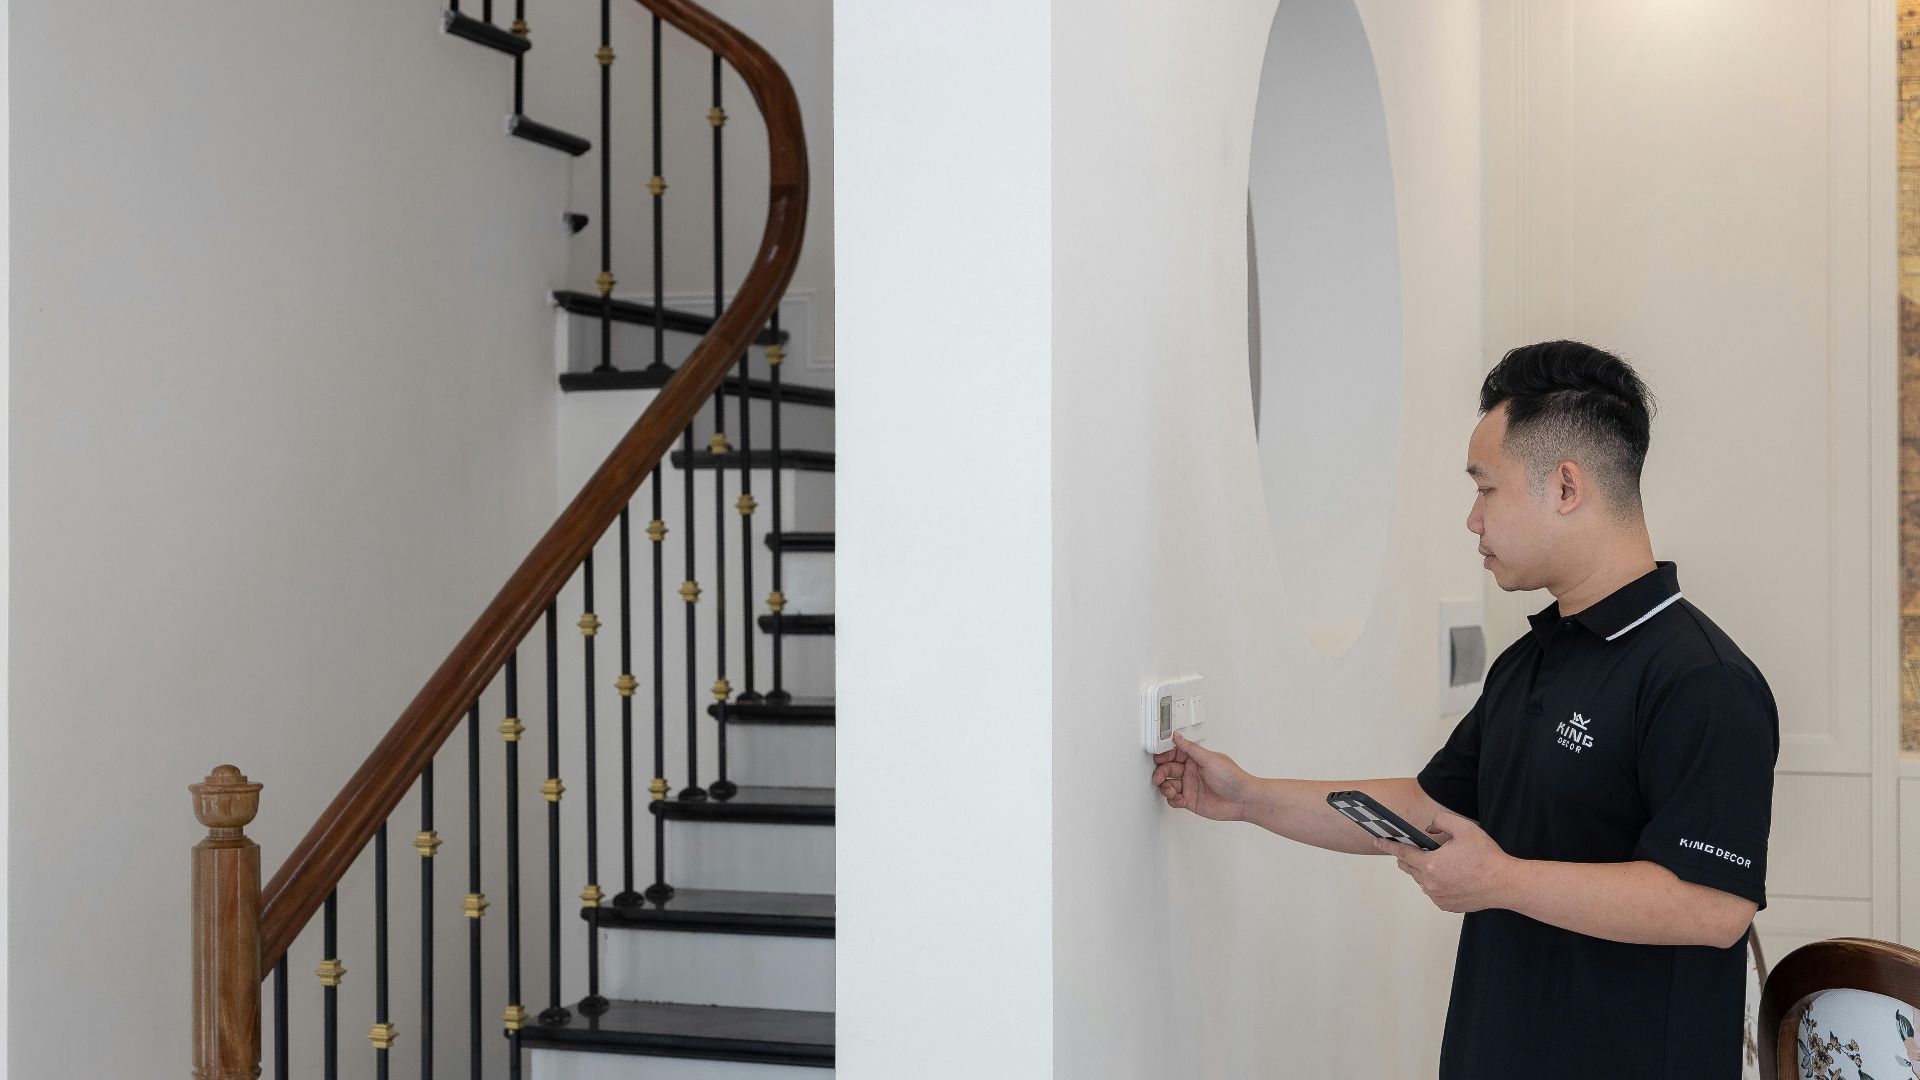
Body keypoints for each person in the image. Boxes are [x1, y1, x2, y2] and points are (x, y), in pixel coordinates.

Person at [1150, 340, 1778, 1079]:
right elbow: (1426, 806)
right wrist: (1250, 797)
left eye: (1486, 489)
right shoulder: (1533, 659)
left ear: (1566, 487)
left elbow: (1713, 907)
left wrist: (1502, 881)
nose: (1472, 520)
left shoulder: (1701, 679)